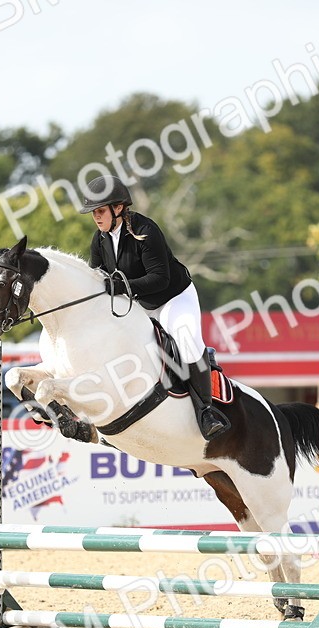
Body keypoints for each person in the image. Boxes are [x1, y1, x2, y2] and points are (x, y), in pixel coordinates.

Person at [79, 175, 230, 440]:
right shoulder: (100, 239)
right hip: (140, 304)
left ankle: (206, 412)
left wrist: (121, 286)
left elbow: (160, 279)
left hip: (173, 297)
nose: (96, 217)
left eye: (100, 211)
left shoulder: (145, 230)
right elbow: (98, 277)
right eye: (93, 213)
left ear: (118, 208)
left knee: (184, 338)